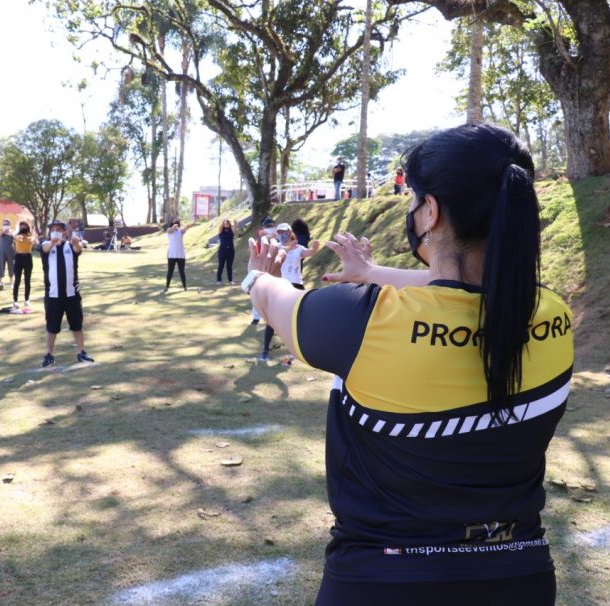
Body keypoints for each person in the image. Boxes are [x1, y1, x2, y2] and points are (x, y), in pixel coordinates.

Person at [242, 123, 572, 605]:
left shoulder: (363, 318)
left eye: (415, 201)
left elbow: (278, 302)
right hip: (521, 575)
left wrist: (256, 276)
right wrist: (373, 273)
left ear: (431, 210)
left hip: (384, 580)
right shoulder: (553, 316)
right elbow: (468, 288)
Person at [257, 223, 319, 362]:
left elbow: (309, 252)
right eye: (279, 232)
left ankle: (300, 350)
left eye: (284, 232)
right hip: (281, 286)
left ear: (290, 232)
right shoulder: (277, 247)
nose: (282, 234)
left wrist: (315, 247)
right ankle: (265, 350)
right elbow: (277, 252)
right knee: (271, 320)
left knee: (298, 319)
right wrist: (286, 247)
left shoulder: (298, 249)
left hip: (297, 286)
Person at [39, 220, 95, 368]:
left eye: (58, 229)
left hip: (72, 295)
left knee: (77, 326)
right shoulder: (46, 246)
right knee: (52, 327)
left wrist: (76, 242)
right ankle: (49, 354)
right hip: (53, 296)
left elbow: (78, 248)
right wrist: (52, 242)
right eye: (52, 229)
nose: (55, 231)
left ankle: (81, 351)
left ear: (65, 231)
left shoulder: (70, 246)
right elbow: (44, 248)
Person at [250, 217, 278, 325]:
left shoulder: (278, 234)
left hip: (274, 265)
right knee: (257, 290)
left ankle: (273, 315)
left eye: (272, 226)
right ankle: (256, 317)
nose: (270, 228)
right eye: (268, 226)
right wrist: (270, 235)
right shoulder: (261, 234)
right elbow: (262, 236)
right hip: (261, 265)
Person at [165, 218, 193, 291]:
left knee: (182, 271)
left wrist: (189, 225)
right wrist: (173, 227)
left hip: (181, 255)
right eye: (175, 222)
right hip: (172, 255)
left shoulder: (180, 231)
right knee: (170, 271)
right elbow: (170, 230)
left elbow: (185, 229)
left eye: (178, 223)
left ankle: (185, 287)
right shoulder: (169, 230)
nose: (176, 224)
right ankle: (167, 286)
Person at [12, 221, 35, 309]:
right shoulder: (17, 236)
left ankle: (27, 300)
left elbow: (33, 241)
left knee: (27, 280)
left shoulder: (30, 236)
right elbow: (17, 237)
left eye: (24, 226)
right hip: (18, 257)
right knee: (17, 280)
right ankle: (15, 301)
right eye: (21, 226)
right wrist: (17, 236)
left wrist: (32, 238)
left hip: (28, 257)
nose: (22, 227)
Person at [216, 218, 237, 285]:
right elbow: (220, 226)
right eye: (225, 223)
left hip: (230, 250)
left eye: (228, 223)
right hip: (222, 250)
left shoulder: (231, 230)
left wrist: (235, 222)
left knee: (229, 266)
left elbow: (235, 227)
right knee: (221, 265)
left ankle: (230, 280)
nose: (227, 224)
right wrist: (224, 220)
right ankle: (219, 280)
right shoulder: (221, 231)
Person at [0, 219, 16, 285]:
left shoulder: (12, 231)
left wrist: (9, 232)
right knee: (1, 265)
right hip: (2, 250)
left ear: (10, 225)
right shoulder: (1, 230)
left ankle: (11, 282)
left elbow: (14, 237)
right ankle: (0, 281)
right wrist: (3, 231)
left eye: (7, 224)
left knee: (11, 266)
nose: (5, 225)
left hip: (10, 250)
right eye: (4, 224)